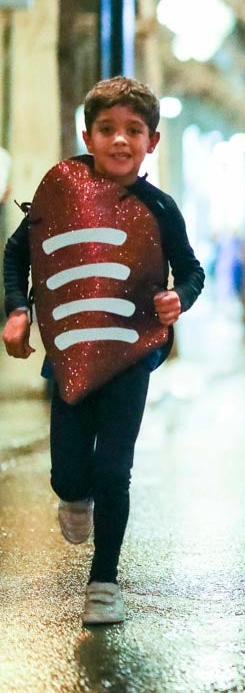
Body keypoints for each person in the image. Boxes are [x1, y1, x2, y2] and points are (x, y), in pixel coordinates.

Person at [2, 76, 204, 625]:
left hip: (130, 356)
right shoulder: (60, 193)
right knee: (69, 475)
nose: (120, 141)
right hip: (67, 356)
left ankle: (104, 581)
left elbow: (191, 270)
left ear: (152, 142)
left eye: (133, 131)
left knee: (114, 469)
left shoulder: (159, 207)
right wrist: (18, 311)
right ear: (87, 135)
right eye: (108, 129)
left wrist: (175, 299)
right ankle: (74, 496)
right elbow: (18, 254)